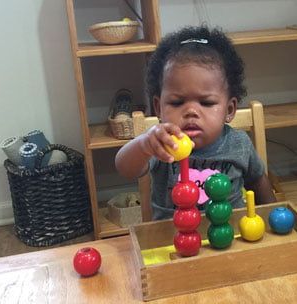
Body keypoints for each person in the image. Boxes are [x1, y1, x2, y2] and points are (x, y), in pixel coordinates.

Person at [115, 26, 276, 220]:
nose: (191, 111)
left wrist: (273, 216)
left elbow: (258, 181)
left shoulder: (239, 143)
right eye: (177, 102)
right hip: (172, 240)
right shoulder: (161, 143)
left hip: (230, 237)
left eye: (206, 103)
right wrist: (143, 145)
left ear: (230, 110)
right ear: (158, 107)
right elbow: (124, 168)